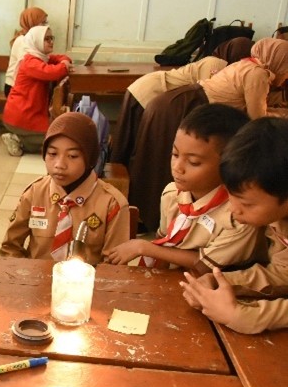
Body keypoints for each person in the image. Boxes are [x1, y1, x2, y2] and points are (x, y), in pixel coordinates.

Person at [128, 37, 288, 231]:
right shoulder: (258, 74)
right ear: (280, 60)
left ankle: (150, 219)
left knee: (160, 163)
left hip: (179, 102)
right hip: (189, 106)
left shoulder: (245, 65)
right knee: (167, 166)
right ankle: (154, 220)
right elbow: (257, 118)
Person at [104, 104, 261, 271]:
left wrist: (144, 247)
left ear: (229, 165)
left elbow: (205, 265)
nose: (177, 167)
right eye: (175, 154)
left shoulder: (240, 215)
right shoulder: (172, 194)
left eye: (194, 162)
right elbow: (164, 244)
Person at [181, 117, 288, 334]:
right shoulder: (278, 216)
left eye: (247, 203)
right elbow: (283, 273)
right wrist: (222, 283)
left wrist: (240, 315)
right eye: (230, 194)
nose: (233, 209)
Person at [0, 112, 129, 264]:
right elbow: (10, 248)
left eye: (72, 156)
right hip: (35, 283)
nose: (59, 164)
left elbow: (114, 269)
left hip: (87, 285)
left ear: (90, 158)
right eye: (52, 153)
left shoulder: (112, 204)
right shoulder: (35, 193)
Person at [111, 37, 254, 167]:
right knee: (137, 144)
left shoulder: (222, 64)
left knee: (138, 144)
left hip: (153, 91)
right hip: (151, 92)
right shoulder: (217, 63)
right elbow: (208, 95)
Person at [1, 26, 72, 157]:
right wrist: (64, 66)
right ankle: (16, 138)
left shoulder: (41, 57)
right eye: (46, 39)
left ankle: (18, 139)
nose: (51, 42)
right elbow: (51, 73)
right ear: (36, 41)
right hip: (20, 115)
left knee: (53, 138)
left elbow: (62, 57)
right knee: (55, 138)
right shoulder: (30, 61)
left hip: (29, 113)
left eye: (52, 38)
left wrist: (64, 61)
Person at [4, 6, 49, 97]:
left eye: (46, 23)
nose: (45, 26)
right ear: (32, 23)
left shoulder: (32, 39)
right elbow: (33, 64)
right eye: (43, 23)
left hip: (23, 85)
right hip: (14, 86)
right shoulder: (22, 40)